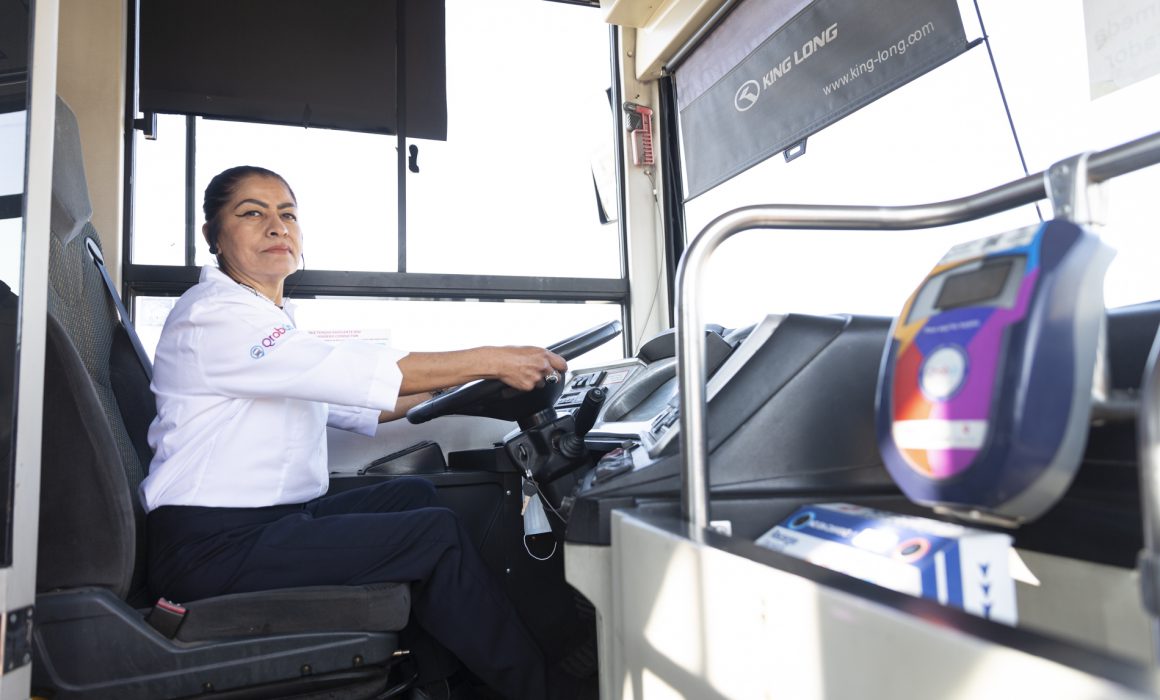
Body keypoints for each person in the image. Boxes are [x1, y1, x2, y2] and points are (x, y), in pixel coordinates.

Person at [140, 165, 567, 699]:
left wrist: (461, 384)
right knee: (433, 534)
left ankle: (445, 681)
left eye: (288, 214)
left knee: (413, 495)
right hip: (211, 546)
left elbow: (346, 401)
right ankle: (538, 690)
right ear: (214, 236)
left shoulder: (266, 318)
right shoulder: (215, 316)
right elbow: (350, 370)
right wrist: (492, 358)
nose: (277, 226)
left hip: (264, 524)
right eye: (252, 213)